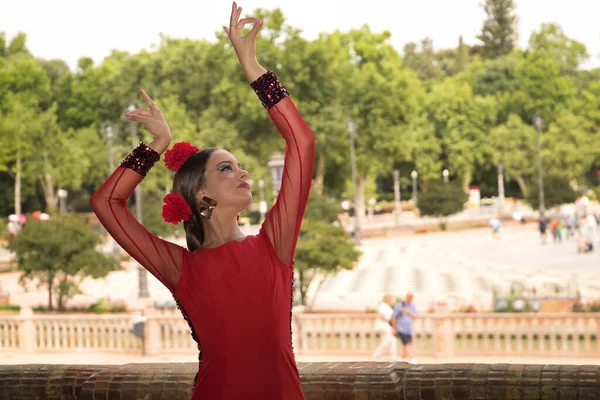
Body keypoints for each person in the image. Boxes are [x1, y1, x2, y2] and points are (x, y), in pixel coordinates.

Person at [90, 3, 315, 399]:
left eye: (240, 165)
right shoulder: (181, 269)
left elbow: (302, 142)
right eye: (227, 168)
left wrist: (252, 66)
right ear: (200, 194)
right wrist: (157, 144)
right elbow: (107, 203)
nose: (244, 173)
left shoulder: (273, 248)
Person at [392, 293, 418, 363]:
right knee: (407, 344)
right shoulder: (399, 305)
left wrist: (407, 312)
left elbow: (415, 317)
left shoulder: (413, 307)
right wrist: (394, 328)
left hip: (409, 329)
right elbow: (394, 317)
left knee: (406, 344)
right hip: (401, 328)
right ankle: (412, 358)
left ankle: (402, 358)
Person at [372, 294, 398, 360]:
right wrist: (389, 320)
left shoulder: (386, 306)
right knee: (387, 341)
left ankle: (393, 356)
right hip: (384, 326)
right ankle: (377, 354)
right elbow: (381, 315)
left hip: (386, 326)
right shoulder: (383, 305)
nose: (392, 300)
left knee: (392, 340)